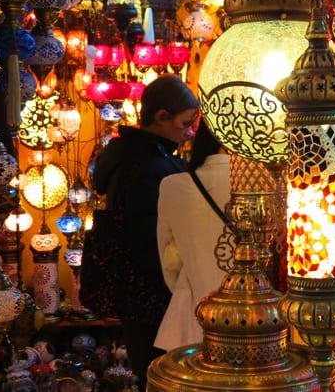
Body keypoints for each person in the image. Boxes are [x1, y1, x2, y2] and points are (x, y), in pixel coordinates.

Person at [91, 74, 199, 386]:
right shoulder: (151, 167)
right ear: (161, 117)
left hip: (134, 292)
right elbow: (151, 238)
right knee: (163, 372)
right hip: (154, 292)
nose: (190, 132)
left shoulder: (133, 157)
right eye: (185, 124)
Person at [155, 120, 232, 350]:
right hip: (260, 321)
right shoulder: (270, 183)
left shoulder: (173, 186)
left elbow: (169, 261)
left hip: (194, 319)